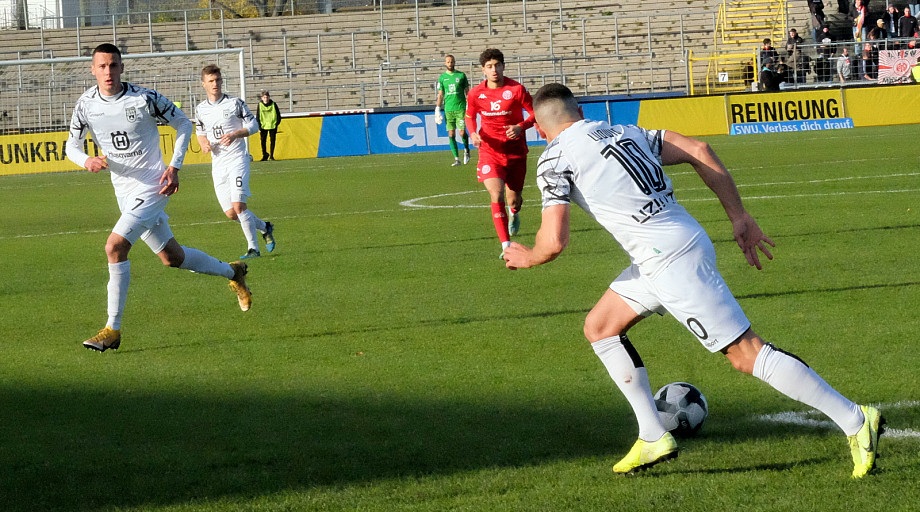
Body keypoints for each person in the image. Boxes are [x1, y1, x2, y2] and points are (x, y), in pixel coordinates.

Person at [503, 82, 884, 478]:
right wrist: (739, 216)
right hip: (673, 244)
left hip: (668, 261)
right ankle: (653, 435)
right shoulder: (625, 130)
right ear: (580, 112)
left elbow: (554, 242)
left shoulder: (555, 158)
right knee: (601, 327)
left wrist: (527, 256)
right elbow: (699, 150)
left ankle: (856, 419)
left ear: (539, 129)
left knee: (746, 354)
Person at [66, 44, 252, 352]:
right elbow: (71, 146)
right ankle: (233, 272)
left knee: (114, 247)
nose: (108, 72)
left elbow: (183, 123)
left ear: (122, 67)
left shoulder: (144, 98)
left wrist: (174, 166)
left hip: (154, 186)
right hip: (124, 192)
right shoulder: (86, 104)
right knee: (172, 258)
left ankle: (112, 329)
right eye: (102, 66)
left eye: (113, 65)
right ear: (93, 69)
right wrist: (86, 160)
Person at [195, 65, 276, 260]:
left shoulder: (235, 103)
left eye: (218, 80)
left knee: (239, 205)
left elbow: (254, 125)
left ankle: (253, 248)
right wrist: (204, 144)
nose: (215, 84)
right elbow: (200, 132)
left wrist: (235, 134)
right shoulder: (200, 109)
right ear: (203, 84)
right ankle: (265, 227)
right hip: (218, 164)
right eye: (211, 81)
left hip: (237, 159)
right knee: (231, 213)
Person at [465, 48, 536, 257]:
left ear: (503, 66)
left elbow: (534, 113)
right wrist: (473, 133)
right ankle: (506, 245)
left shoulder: (517, 90)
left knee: (514, 200)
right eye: (489, 66)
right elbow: (469, 116)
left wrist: (521, 127)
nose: (494, 70)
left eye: (497, 65)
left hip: (515, 153)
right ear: (483, 70)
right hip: (489, 152)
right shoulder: (476, 93)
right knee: (496, 194)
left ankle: (514, 212)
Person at [435, 54, 471, 167]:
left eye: (452, 61)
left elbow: (467, 92)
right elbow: (440, 95)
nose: (450, 64)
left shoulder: (461, 75)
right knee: (451, 134)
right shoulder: (442, 78)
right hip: (448, 109)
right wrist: (437, 109)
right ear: (445, 63)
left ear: (454, 62)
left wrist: (469, 104)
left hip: (460, 108)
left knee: (462, 132)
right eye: (448, 62)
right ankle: (456, 159)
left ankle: (466, 149)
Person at [257, 90, 281, 161]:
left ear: (269, 97)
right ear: (262, 98)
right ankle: (265, 155)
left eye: (267, 97)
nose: (266, 99)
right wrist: (259, 126)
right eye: (264, 97)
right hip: (263, 125)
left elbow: (278, 115)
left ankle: (271, 155)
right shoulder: (260, 105)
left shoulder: (274, 104)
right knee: (263, 141)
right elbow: (258, 116)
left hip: (272, 125)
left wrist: (276, 123)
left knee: (272, 141)